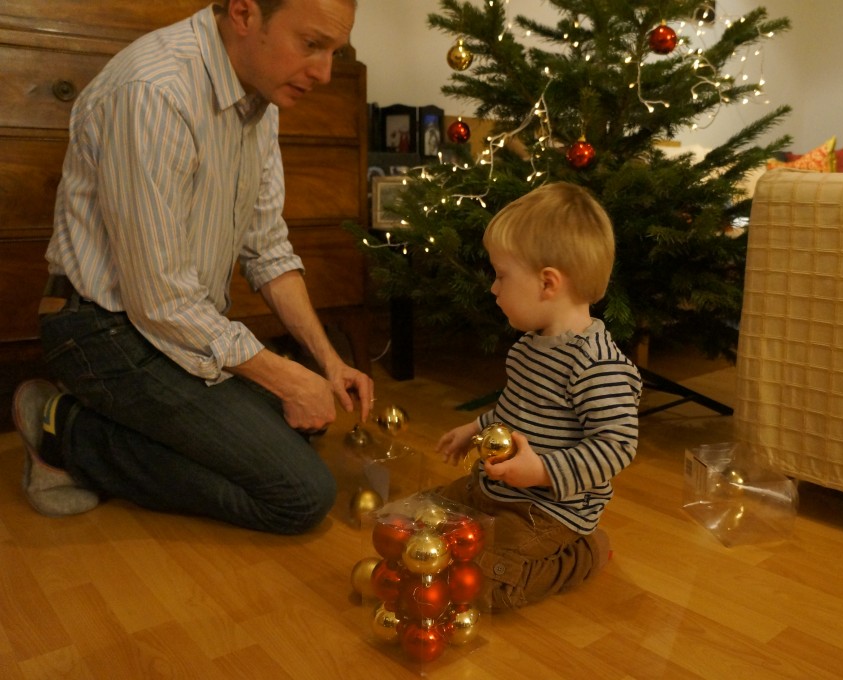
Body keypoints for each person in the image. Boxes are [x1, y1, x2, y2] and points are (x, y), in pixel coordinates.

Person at [11, 0, 373, 535]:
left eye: (334, 52)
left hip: (174, 324)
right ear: (245, 13)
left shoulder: (261, 97)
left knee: (301, 423)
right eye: (312, 45)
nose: (323, 73)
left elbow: (267, 247)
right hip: (101, 328)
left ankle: (120, 425)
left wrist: (326, 362)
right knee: (300, 495)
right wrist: (287, 378)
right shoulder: (154, 91)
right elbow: (161, 300)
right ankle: (66, 433)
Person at [436, 182, 642, 611]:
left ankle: (586, 554)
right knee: (431, 520)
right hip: (499, 490)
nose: (494, 288)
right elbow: (516, 411)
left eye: (502, 276)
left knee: (484, 585)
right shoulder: (529, 346)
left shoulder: (596, 364)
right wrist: (473, 428)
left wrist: (543, 470)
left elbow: (617, 446)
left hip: (549, 511)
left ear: (548, 283)